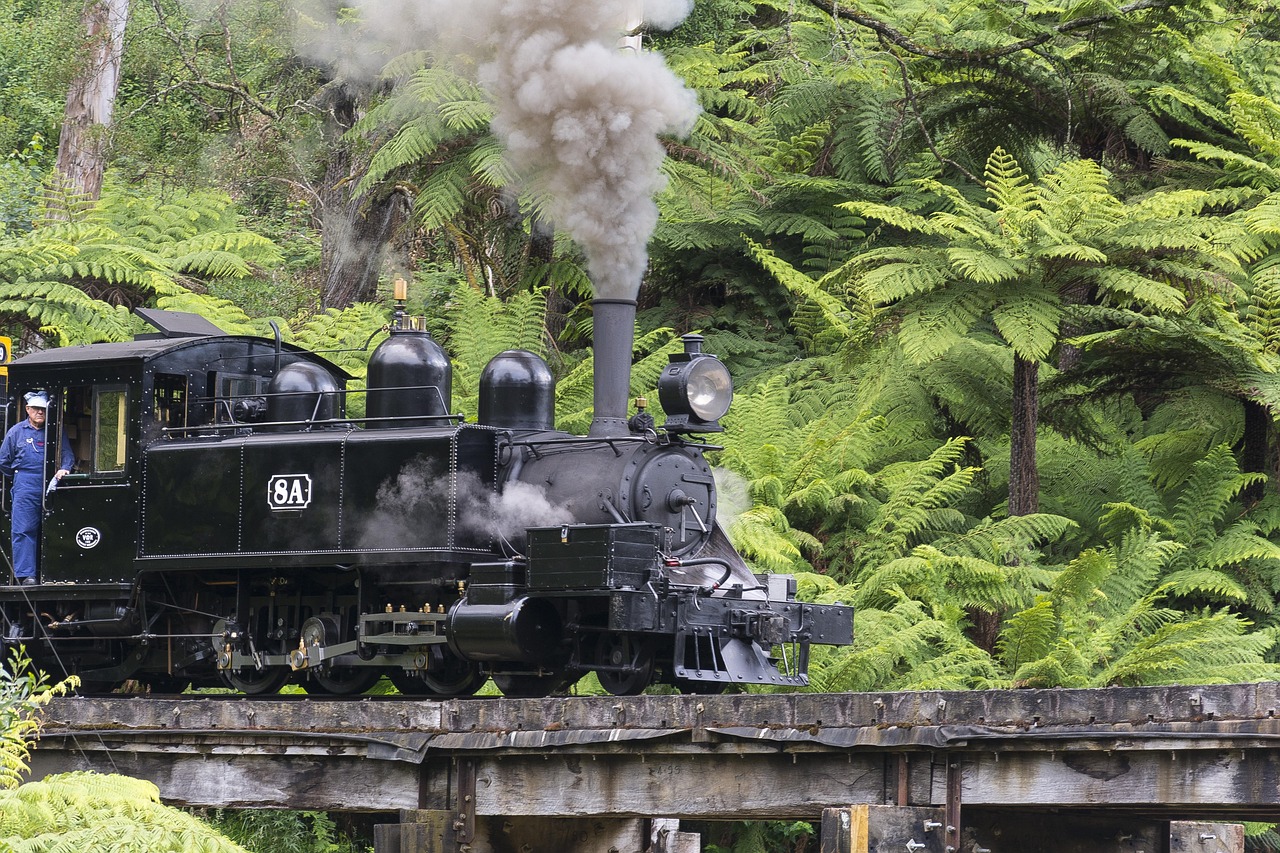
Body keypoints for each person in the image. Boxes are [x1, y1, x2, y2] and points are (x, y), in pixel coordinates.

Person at [0, 391, 73, 585]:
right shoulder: (16, 431)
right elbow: (4, 460)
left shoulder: (56, 431)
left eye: (43, 409)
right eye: (36, 409)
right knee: (24, 529)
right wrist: (18, 477)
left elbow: (67, 455)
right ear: (28, 410)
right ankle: (26, 575)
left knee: (54, 527)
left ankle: (55, 574)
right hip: (25, 483)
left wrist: (64, 469)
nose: (40, 412)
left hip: (51, 482)